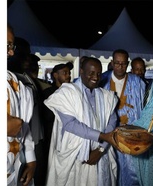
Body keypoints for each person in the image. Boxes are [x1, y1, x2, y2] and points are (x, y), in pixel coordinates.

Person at [44, 57, 118, 186]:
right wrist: (101, 136)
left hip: (101, 154)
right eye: (91, 73)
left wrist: (101, 149)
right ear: (81, 71)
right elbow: (70, 124)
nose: (95, 77)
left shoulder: (107, 96)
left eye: (99, 73)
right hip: (75, 156)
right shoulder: (67, 93)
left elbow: (112, 122)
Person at [99, 49, 145, 186]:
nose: (120, 67)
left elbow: (141, 107)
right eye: (117, 63)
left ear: (128, 64)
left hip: (130, 136)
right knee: (110, 170)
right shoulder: (102, 80)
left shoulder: (137, 82)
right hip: (108, 134)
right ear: (112, 63)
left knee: (132, 172)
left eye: (123, 64)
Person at [7, 23, 36, 186]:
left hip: (13, 169)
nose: (11, 52)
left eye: (13, 46)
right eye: (8, 45)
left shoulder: (19, 86)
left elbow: (23, 126)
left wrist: (31, 159)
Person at [42, 61, 74, 178]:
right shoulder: (48, 93)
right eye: (65, 73)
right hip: (52, 137)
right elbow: (47, 116)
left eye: (69, 73)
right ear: (55, 75)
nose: (68, 75)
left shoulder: (72, 91)